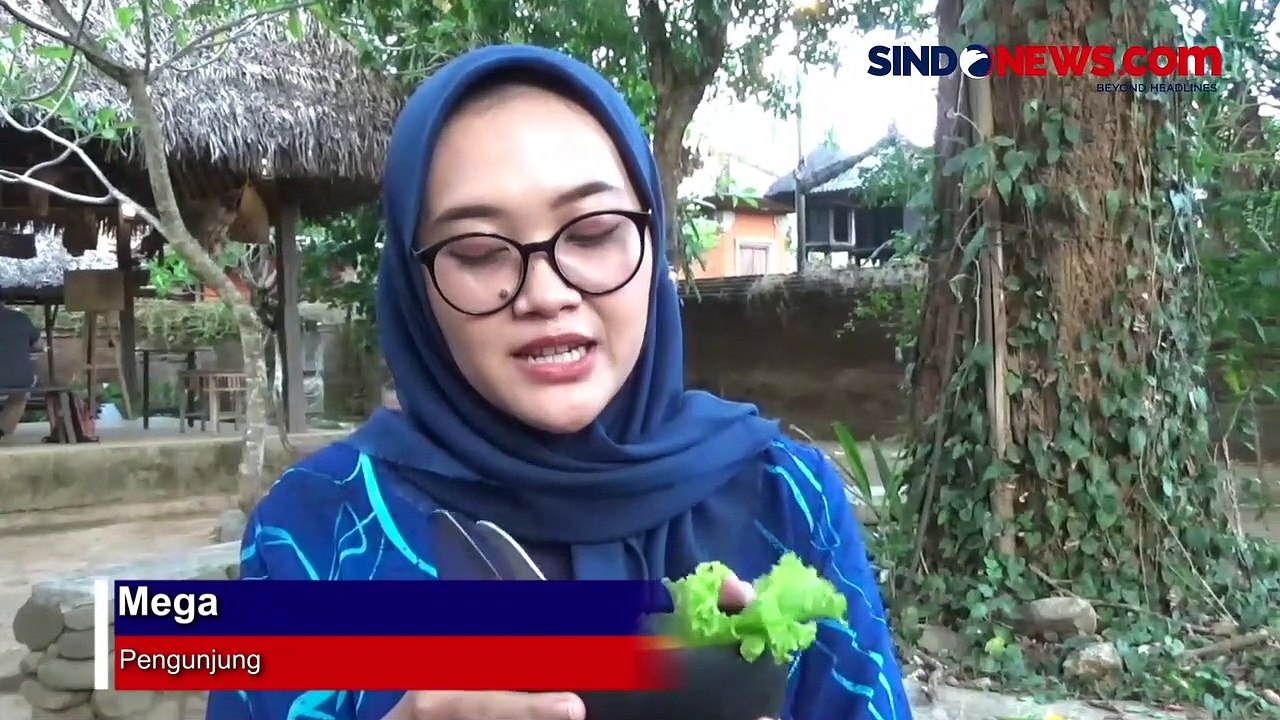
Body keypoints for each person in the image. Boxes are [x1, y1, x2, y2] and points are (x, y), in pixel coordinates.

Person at [206, 44, 913, 720]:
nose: (545, 292)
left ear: (651, 237)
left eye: (594, 232)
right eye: (478, 250)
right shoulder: (314, 532)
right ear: (414, 287)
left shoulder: (785, 497)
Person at [0, 299, 43, 440]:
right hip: (20, 378)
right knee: (21, 395)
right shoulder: (20, 318)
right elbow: (39, 345)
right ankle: (3, 430)